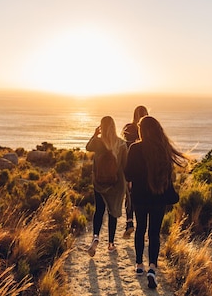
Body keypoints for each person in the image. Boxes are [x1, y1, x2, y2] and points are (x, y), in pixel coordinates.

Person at [124, 115, 188, 289]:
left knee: (140, 229)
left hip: (139, 197)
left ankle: (138, 265)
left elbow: (128, 174)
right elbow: (168, 176)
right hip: (159, 197)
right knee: (154, 233)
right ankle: (152, 267)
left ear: (141, 130)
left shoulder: (135, 149)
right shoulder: (163, 149)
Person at [86, 116, 128, 257]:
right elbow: (125, 166)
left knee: (99, 210)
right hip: (116, 184)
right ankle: (110, 244)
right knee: (113, 213)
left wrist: (95, 134)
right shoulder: (122, 144)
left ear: (101, 127)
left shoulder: (98, 142)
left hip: (99, 183)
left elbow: (87, 147)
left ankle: (96, 237)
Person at [121, 105, 149, 238]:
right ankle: (142, 226)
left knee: (129, 196)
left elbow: (123, 145)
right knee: (144, 198)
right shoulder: (149, 132)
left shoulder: (128, 128)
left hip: (130, 166)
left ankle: (129, 222)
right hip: (146, 170)